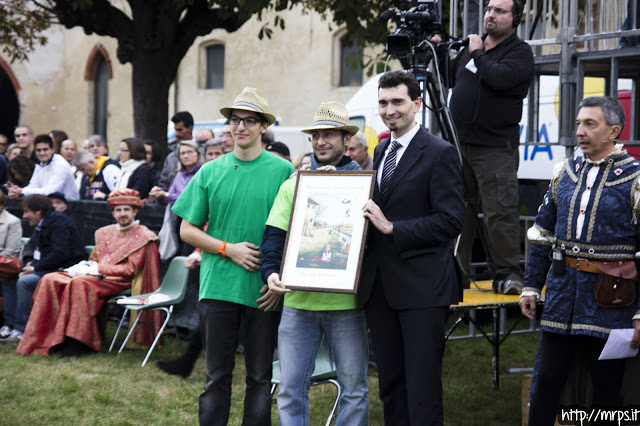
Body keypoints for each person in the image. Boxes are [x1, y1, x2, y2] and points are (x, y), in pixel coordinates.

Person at [172, 87, 294, 425]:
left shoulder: (283, 171)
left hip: (264, 289)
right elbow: (187, 229)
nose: (241, 127)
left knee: (259, 377)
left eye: (249, 121)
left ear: (262, 127)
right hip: (218, 286)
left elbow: (296, 231)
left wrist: (279, 278)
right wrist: (228, 249)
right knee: (217, 376)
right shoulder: (210, 171)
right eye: (235, 120)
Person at [519, 96, 640, 424]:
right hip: (562, 295)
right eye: (578, 124)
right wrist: (531, 285)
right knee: (547, 381)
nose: (581, 131)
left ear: (613, 131)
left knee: (606, 390)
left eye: (590, 124)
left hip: (612, 299)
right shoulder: (565, 172)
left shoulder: (635, 178)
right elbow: (542, 233)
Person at [358, 70, 465, 424]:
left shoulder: (440, 153)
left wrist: (393, 228)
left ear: (417, 104)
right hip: (381, 287)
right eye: (384, 103)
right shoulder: (381, 148)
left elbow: (451, 221)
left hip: (423, 287)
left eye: (398, 102)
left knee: (422, 388)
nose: (390, 110)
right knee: (391, 384)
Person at [261, 101, 369, 425]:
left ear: (345, 139)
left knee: (354, 388)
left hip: (347, 305)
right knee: (290, 389)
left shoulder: (364, 183)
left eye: (329, 135)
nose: (321, 141)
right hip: (297, 303)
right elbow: (273, 238)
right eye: (316, 135)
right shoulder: (294, 184)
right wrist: (270, 273)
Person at [448, 0, 533, 295]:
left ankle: (509, 275)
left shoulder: (519, 52)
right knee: (457, 212)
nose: (490, 15)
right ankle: (453, 276)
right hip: (461, 145)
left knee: (499, 213)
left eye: (499, 11)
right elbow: (451, 79)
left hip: (495, 148)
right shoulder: (474, 48)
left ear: (515, 18)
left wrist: (477, 52)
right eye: (488, 9)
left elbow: (498, 78)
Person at [17, 189, 161, 356]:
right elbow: (94, 259)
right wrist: (84, 267)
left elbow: (130, 270)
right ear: (112, 212)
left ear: (135, 211)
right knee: (50, 279)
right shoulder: (104, 232)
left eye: (126, 210)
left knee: (80, 284)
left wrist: (97, 269)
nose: (122, 214)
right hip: (95, 275)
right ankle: (48, 338)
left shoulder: (144, 236)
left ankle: (78, 342)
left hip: (119, 279)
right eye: (118, 210)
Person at [0, 194, 86, 344]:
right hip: (44, 266)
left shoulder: (59, 222)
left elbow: (60, 253)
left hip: (64, 269)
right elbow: (30, 246)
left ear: (38, 211)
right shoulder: (43, 223)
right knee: (9, 273)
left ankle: (22, 329)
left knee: (25, 282)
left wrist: (34, 268)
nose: (25, 216)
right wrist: (28, 262)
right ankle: (9, 324)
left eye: (27, 212)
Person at [7, 134, 79, 201]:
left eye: (45, 149)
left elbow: (50, 192)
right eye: (38, 150)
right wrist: (17, 192)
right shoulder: (40, 164)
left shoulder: (61, 165)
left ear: (52, 149)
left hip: (69, 207)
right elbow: (33, 186)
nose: (42, 153)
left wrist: (22, 191)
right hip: (49, 205)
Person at [0, 191, 24, 339]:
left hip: (4, 264)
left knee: (9, 277)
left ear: (2, 205)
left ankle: (8, 324)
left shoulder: (12, 222)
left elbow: (11, 253)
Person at [149, 140, 203, 205]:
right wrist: (158, 195)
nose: (186, 156)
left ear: (198, 154)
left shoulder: (203, 173)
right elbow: (169, 199)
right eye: (182, 153)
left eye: (190, 152)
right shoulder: (180, 174)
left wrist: (166, 195)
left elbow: (192, 199)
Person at [157, 111, 194, 192]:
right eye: (175, 130)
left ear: (190, 129)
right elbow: (163, 183)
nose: (176, 134)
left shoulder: (203, 153)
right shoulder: (171, 157)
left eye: (180, 130)